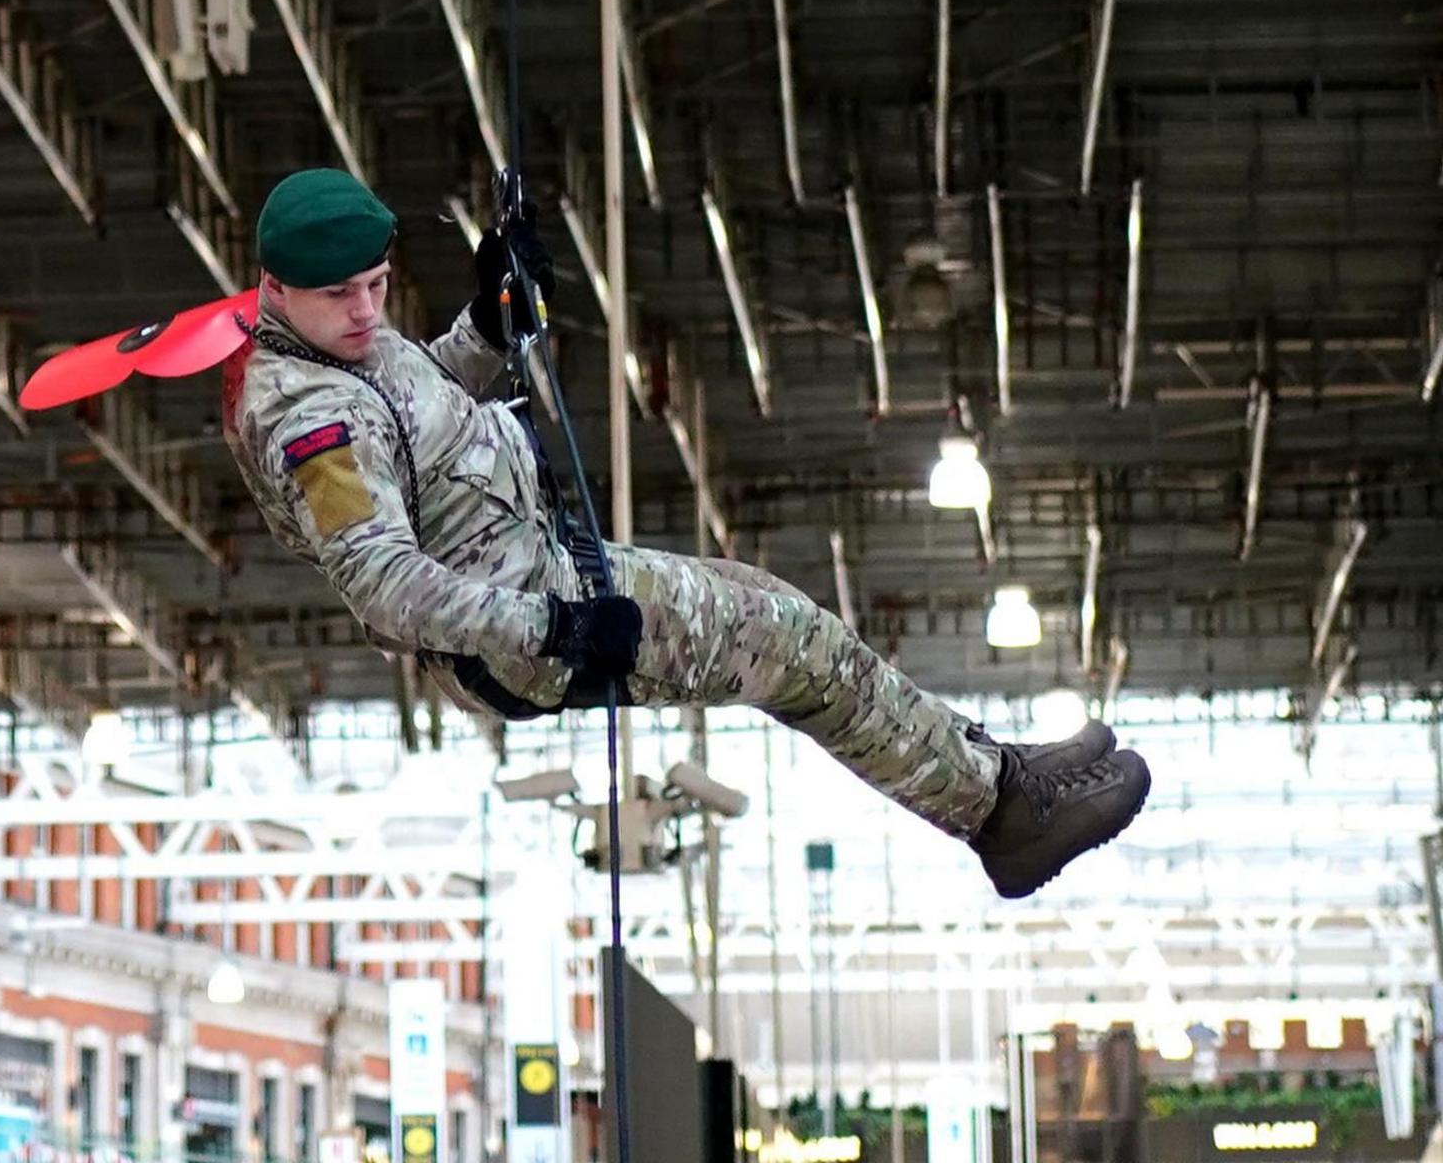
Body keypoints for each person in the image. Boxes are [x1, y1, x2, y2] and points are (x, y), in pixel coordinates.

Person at [222, 168, 1150, 899]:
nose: (366, 311)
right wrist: (551, 631)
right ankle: (998, 815)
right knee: (795, 650)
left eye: (378, 285)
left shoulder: (343, 341)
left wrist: (488, 326)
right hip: (530, 637)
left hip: (555, 575)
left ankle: (992, 772)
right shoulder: (310, 423)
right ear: (274, 288)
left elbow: (419, 409)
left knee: (787, 617)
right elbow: (386, 586)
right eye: (342, 294)